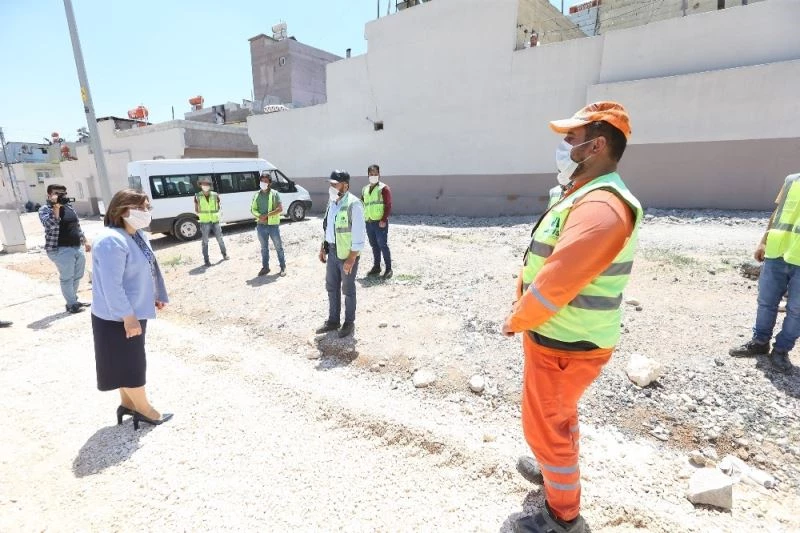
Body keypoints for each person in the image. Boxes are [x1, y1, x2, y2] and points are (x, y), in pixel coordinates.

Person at [501, 102, 642, 533]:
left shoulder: (603, 205)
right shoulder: (585, 193)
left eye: (570, 140)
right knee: (557, 417)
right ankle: (551, 469)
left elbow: (558, 282)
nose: (564, 148)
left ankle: (562, 517)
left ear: (596, 145)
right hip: (559, 338)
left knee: (548, 426)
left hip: (566, 342)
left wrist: (516, 320)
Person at [91, 188, 172, 430]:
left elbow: (147, 269)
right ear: (123, 210)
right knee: (132, 362)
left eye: (148, 208)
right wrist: (128, 317)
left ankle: (128, 403)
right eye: (142, 208)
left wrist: (155, 295)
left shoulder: (137, 235)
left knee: (124, 360)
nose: (147, 212)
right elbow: (111, 286)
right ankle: (146, 410)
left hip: (134, 310)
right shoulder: (110, 241)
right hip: (118, 316)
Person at [728, 175, 800, 373]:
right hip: (778, 251)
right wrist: (763, 241)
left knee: (797, 310)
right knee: (766, 302)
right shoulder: (792, 180)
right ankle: (760, 342)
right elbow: (778, 213)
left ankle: (781, 351)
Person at [315, 170, 366, 338]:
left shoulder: (354, 204)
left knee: (348, 289)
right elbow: (328, 227)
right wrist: (324, 246)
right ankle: (333, 320)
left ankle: (349, 322)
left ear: (346, 185)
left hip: (347, 255)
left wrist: (352, 258)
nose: (332, 187)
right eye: (331, 184)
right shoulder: (332, 203)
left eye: (335, 184)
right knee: (331, 287)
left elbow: (359, 235)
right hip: (332, 252)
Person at [38, 184, 91, 313]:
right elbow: (50, 224)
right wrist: (56, 207)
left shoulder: (69, 207)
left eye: (63, 193)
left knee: (78, 275)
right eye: (57, 193)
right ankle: (71, 304)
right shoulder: (45, 209)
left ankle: (73, 300)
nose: (61, 196)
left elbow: (76, 225)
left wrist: (85, 240)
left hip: (76, 246)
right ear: (49, 195)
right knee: (67, 277)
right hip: (60, 248)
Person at [250, 171, 286, 277]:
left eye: (266, 181)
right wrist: (259, 216)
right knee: (264, 248)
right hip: (261, 225)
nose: (263, 183)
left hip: (273, 226)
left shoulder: (274, 194)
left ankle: (283, 267)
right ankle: (265, 267)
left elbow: (280, 209)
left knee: (278, 247)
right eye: (262, 181)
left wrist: (267, 215)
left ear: (269, 183)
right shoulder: (256, 195)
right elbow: (253, 209)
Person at [362, 164, 393, 279]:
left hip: (380, 222)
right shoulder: (365, 189)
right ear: (368, 175)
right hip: (369, 222)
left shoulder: (383, 188)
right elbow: (362, 204)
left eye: (375, 174)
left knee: (383, 245)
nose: (373, 176)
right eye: (371, 174)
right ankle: (376, 267)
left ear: (379, 174)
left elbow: (388, 205)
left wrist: (384, 219)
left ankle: (389, 269)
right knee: (374, 245)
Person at [194, 176, 228, 267]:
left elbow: (219, 207)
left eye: (207, 184)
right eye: (203, 184)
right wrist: (201, 215)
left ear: (209, 185)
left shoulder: (215, 195)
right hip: (205, 222)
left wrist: (217, 214)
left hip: (215, 221)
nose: (205, 186)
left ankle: (224, 255)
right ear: (200, 185)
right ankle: (206, 260)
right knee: (205, 241)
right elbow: (196, 210)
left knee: (220, 239)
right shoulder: (197, 196)